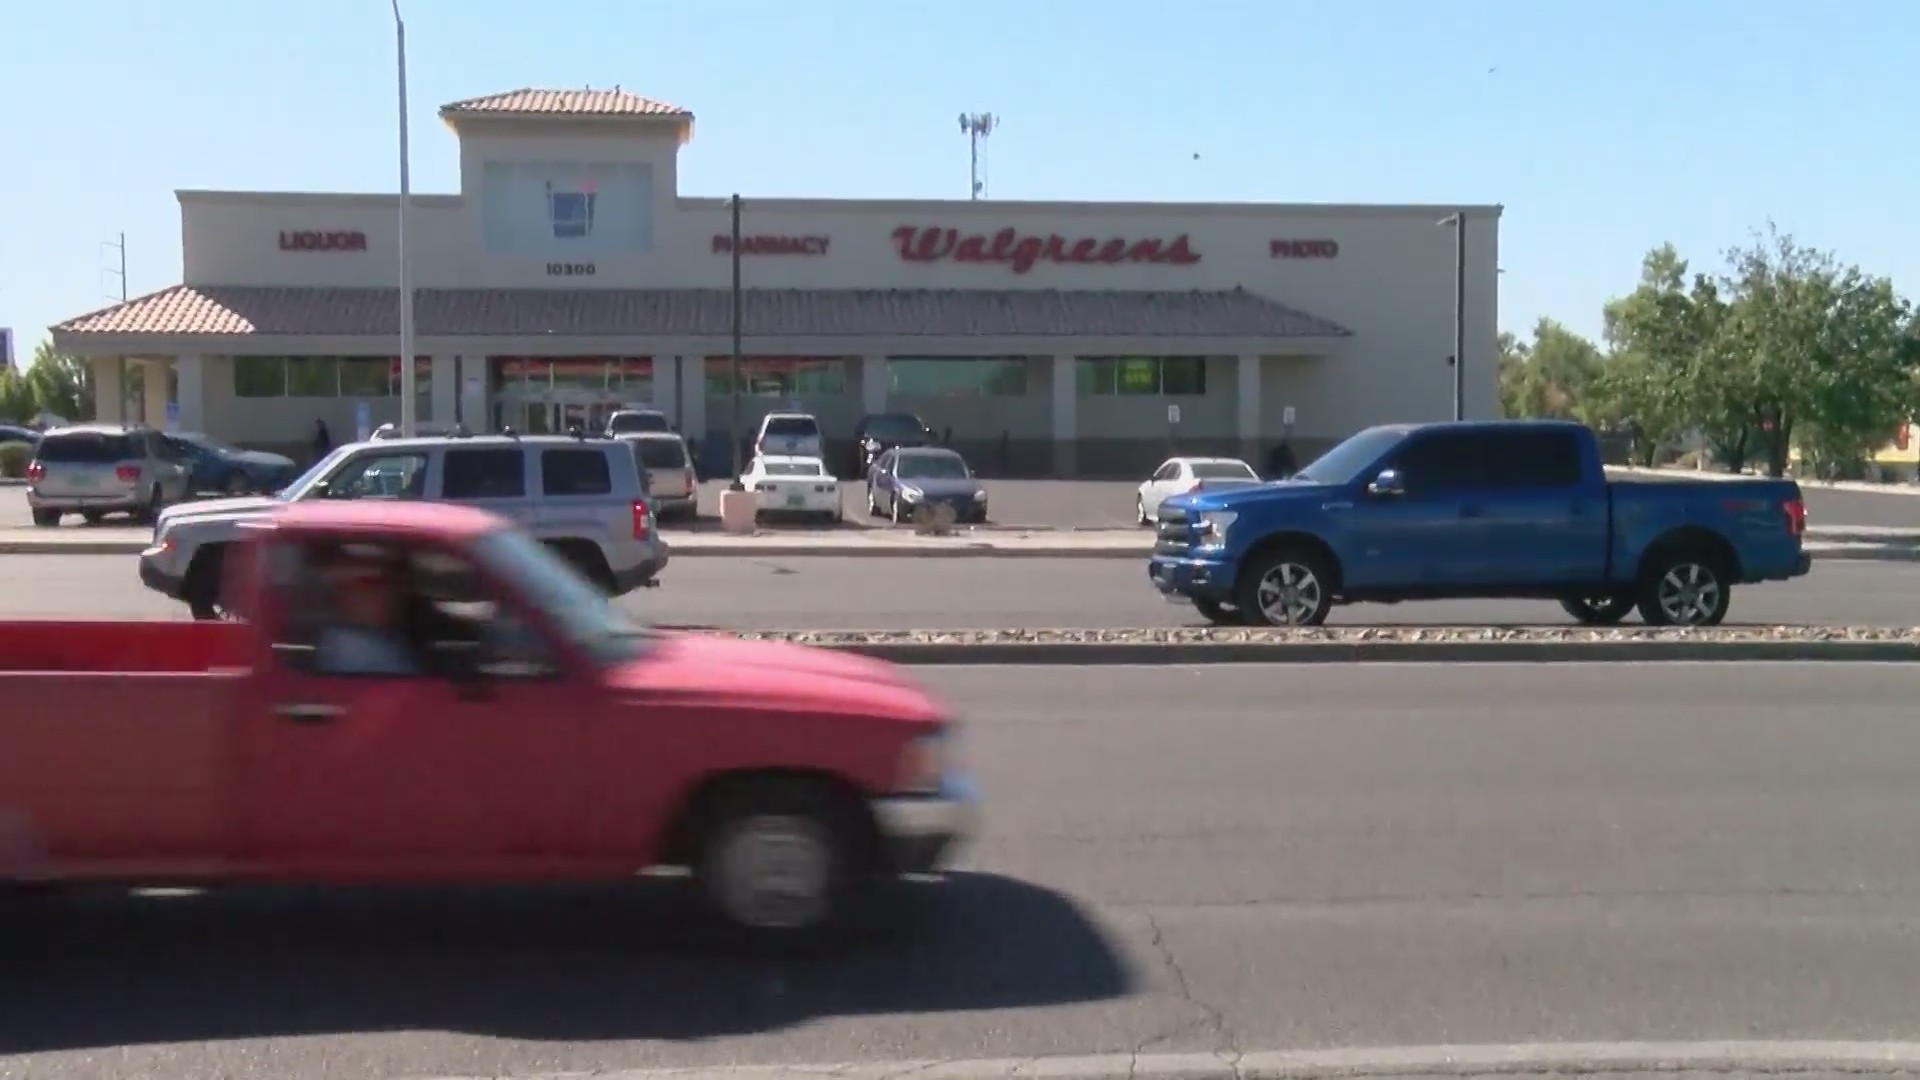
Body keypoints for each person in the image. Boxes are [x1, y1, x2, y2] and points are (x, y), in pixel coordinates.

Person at [312, 546, 418, 676]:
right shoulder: (350, 649)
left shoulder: (389, 636)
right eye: (373, 585)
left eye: (392, 583)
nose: (386, 594)